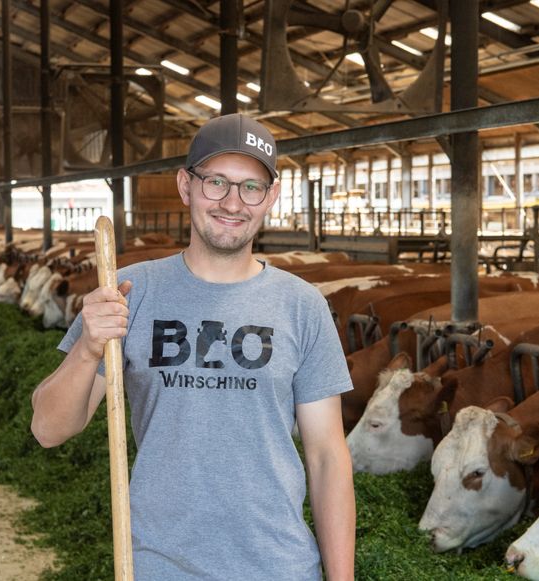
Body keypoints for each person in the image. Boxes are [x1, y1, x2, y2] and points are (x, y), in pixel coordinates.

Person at [31, 113, 355, 580]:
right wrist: (87, 348)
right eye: (216, 182)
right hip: (159, 567)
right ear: (186, 186)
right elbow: (47, 430)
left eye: (251, 187)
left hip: (280, 566)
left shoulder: (302, 306)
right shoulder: (128, 294)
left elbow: (327, 458)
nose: (232, 202)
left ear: (271, 197)